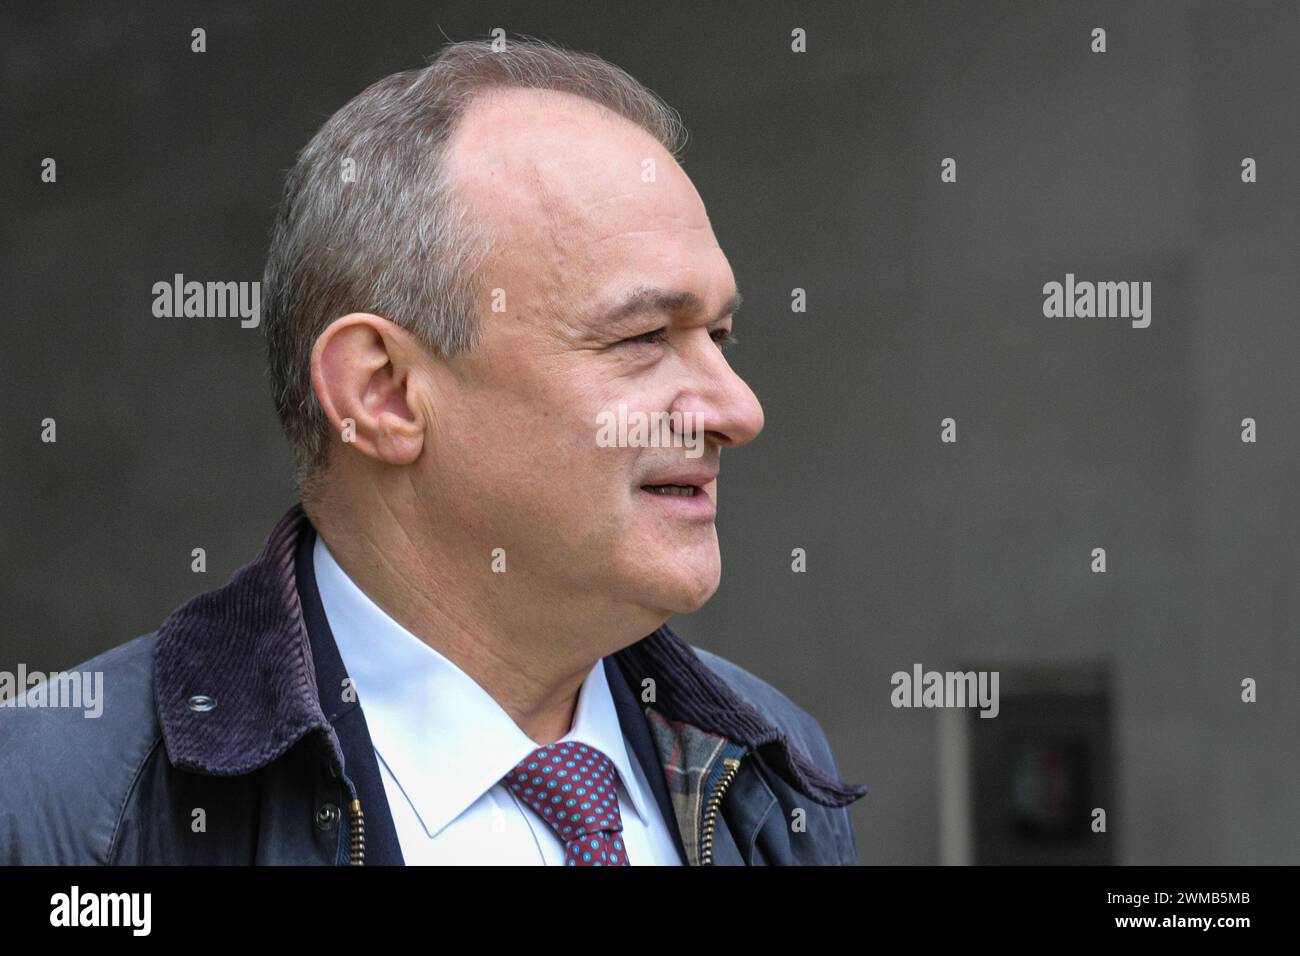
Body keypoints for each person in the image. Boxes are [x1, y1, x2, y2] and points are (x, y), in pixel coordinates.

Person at [0, 36, 866, 865]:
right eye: (644, 336)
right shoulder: (62, 805)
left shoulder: (771, 758)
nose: (736, 409)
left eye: (720, 335)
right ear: (382, 392)